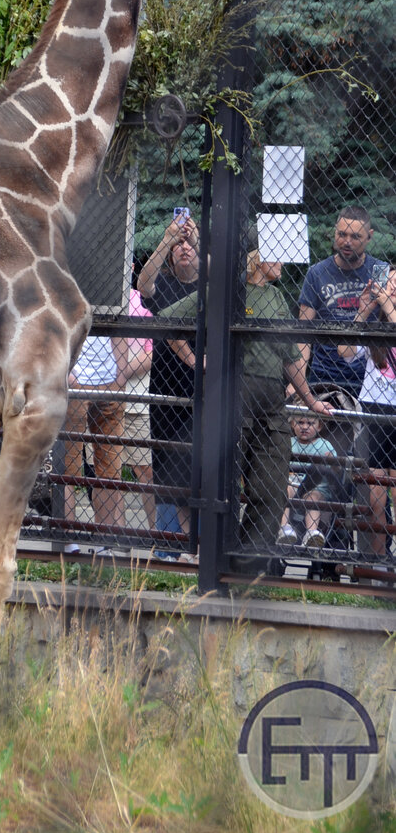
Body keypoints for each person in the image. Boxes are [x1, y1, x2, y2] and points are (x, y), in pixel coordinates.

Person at [163, 233, 332, 568]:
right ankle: (219, 557)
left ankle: (248, 564)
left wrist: (310, 400)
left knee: (272, 489)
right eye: (278, 255)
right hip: (232, 396)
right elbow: (169, 321)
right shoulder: (226, 291)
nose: (283, 263)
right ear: (258, 257)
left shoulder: (277, 298)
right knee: (221, 484)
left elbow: (290, 359)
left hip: (271, 401)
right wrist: (198, 361)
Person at [140, 214, 201, 553]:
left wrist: (196, 242)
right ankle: (167, 548)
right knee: (165, 466)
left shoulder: (209, 282)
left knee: (201, 467)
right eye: (177, 247)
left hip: (202, 385)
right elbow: (142, 285)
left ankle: (200, 546)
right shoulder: (163, 283)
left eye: (187, 245)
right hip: (164, 386)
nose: (183, 250)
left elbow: (221, 275)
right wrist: (167, 239)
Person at [299, 205, 388, 397]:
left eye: (355, 236)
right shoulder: (317, 273)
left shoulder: (379, 271)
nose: (347, 242)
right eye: (342, 234)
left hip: (370, 377)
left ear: (369, 236)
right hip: (324, 372)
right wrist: (298, 379)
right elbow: (303, 332)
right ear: (334, 232)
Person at [337, 266, 396, 556]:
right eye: (390, 283)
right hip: (373, 414)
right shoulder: (376, 324)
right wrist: (362, 311)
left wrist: (387, 304)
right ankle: (379, 564)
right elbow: (344, 351)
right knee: (375, 501)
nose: (391, 289)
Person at [62, 334, 127, 556]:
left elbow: (121, 330)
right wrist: (69, 375)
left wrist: (121, 376)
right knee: (68, 467)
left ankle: (103, 540)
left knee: (110, 468)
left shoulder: (116, 297)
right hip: (76, 382)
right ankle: (68, 539)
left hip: (109, 382)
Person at [278, 410, 347, 550]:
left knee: (312, 498)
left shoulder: (324, 445)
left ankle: (311, 533)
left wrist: (333, 463)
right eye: (300, 422)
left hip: (317, 488)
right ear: (292, 424)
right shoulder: (288, 443)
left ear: (319, 426)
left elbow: (335, 472)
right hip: (292, 484)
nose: (305, 427)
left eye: (310, 423)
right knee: (285, 490)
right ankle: (284, 529)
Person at [125, 287, 155, 532]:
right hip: (101, 396)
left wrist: (120, 372)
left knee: (146, 471)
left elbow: (151, 353)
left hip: (136, 402)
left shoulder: (142, 301)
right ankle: (114, 534)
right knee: (103, 471)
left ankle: (158, 534)